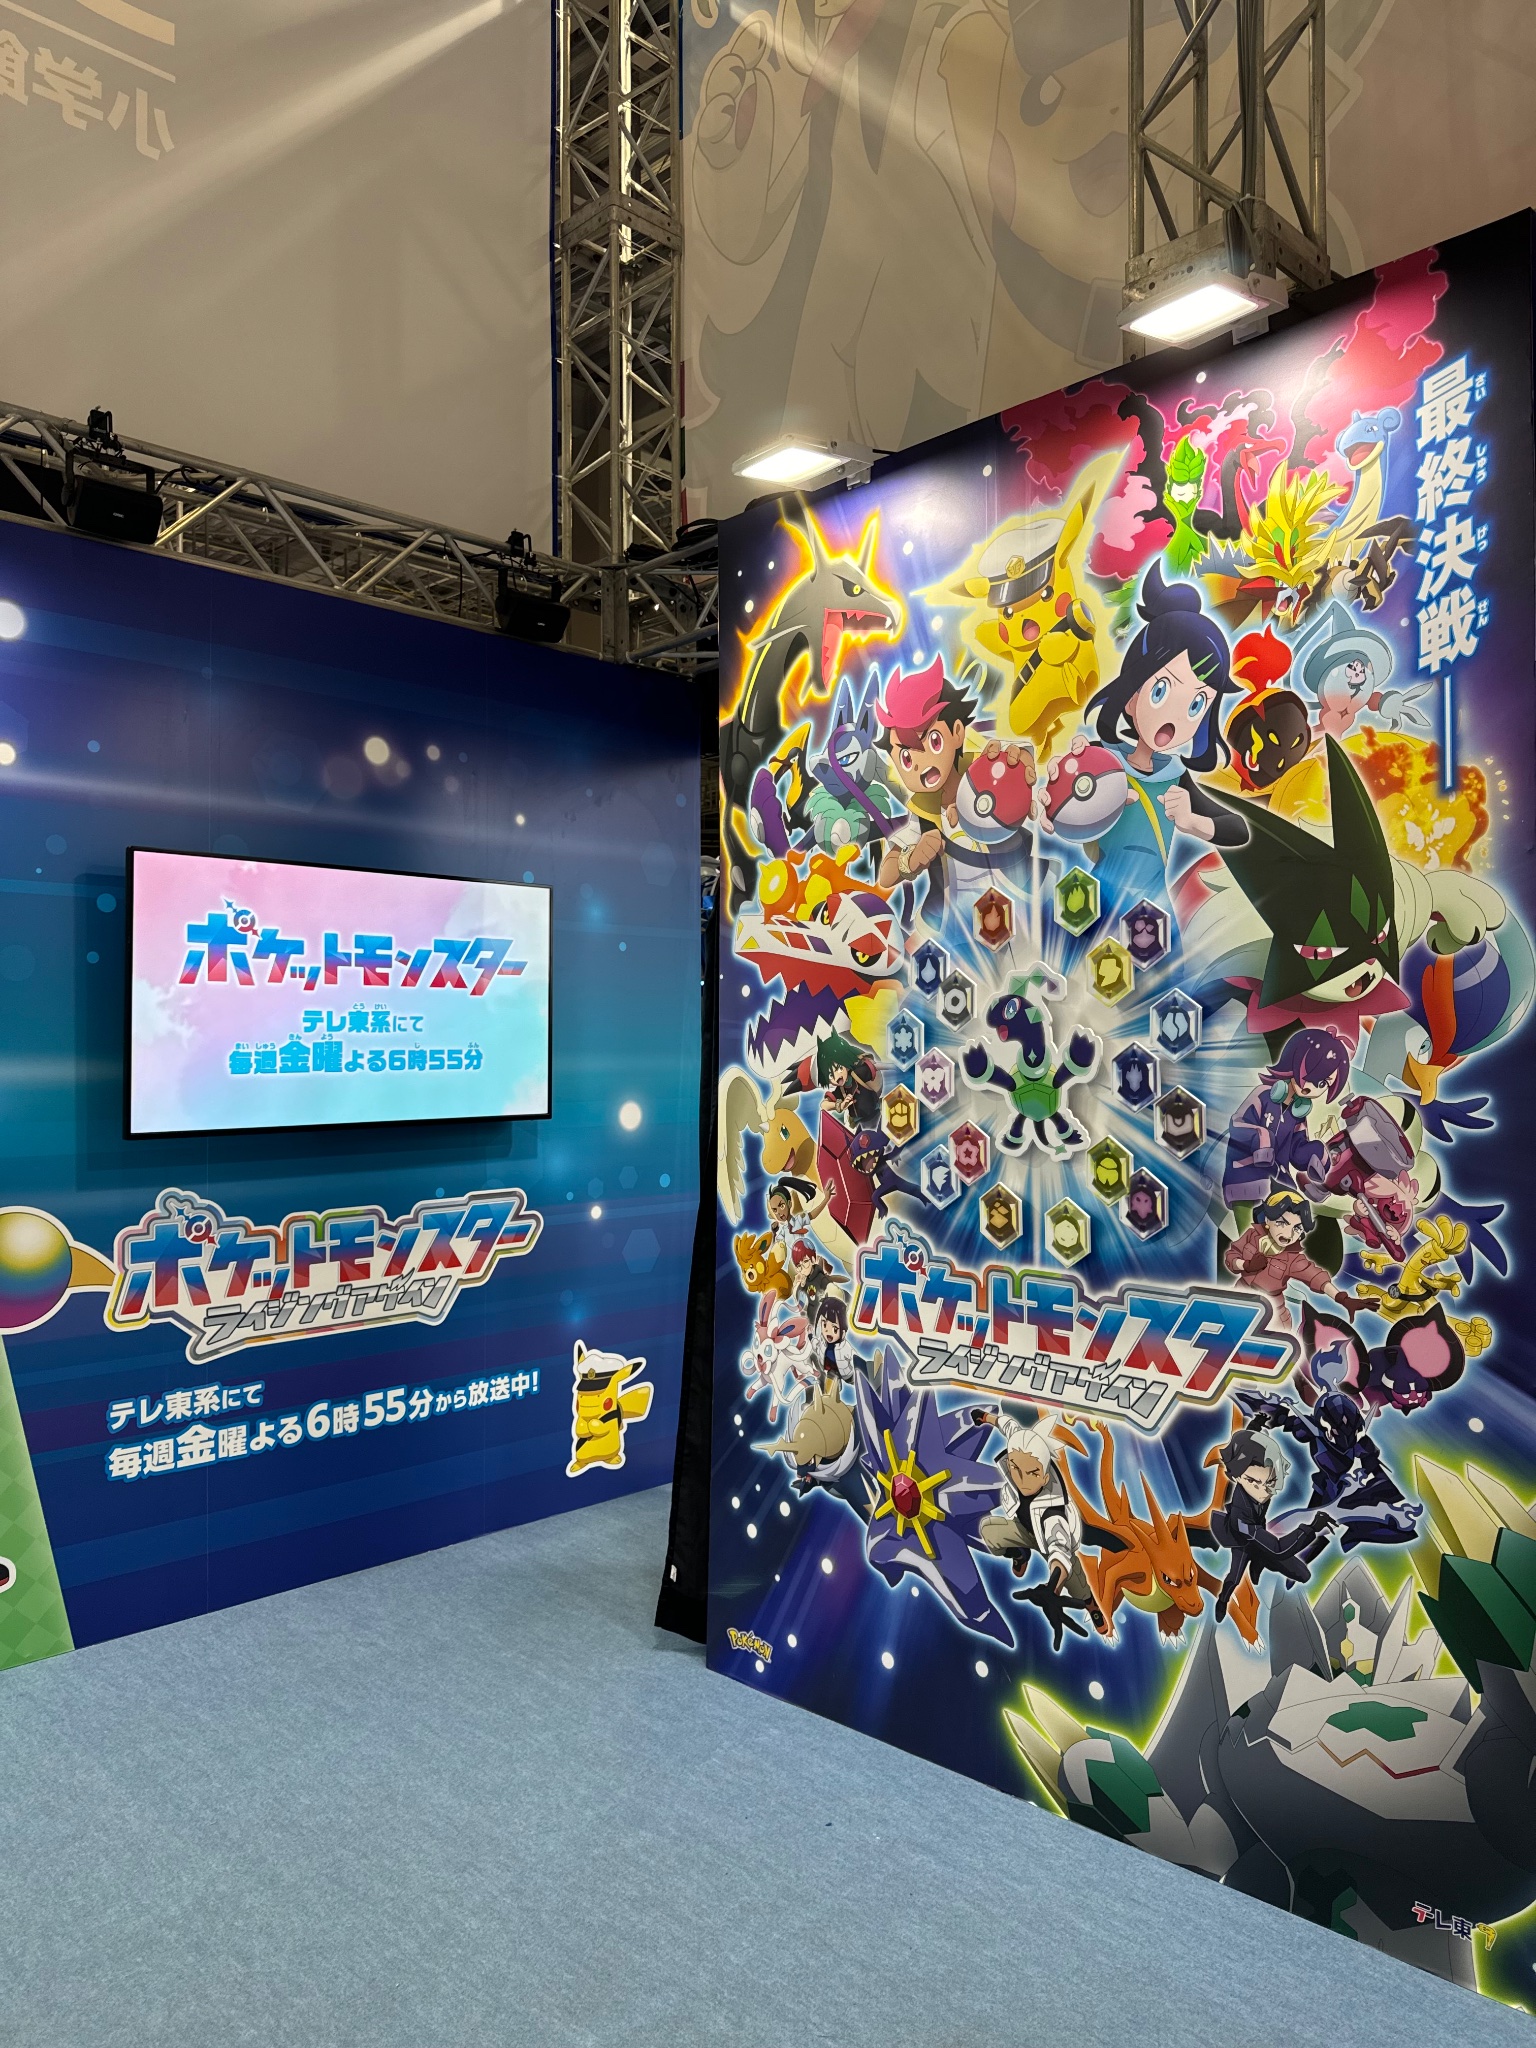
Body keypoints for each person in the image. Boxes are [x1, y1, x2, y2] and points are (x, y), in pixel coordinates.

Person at [1080, 561, 1247, 910]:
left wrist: (1192, 821)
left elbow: (1236, 828)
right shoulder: (1102, 756)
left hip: (1152, 910)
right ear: (1131, 696)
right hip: (1095, 897)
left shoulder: (1174, 776)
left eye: (1196, 704)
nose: (1175, 716)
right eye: (1161, 691)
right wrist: (1072, 779)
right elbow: (1061, 807)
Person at [976, 1412, 1106, 1644]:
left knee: (1078, 1588)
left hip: (1050, 1543)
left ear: (1045, 1477)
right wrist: (986, 1417)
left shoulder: (1054, 1513)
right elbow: (1009, 1426)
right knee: (988, 1531)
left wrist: (1051, 1589)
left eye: (1032, 1473)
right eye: (1014, 1468)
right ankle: (1020, 1554)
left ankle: (1091, 1605)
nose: (1021, 1479)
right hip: (1024, 1529)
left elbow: (1059, 1550)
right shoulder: (1022, 1448)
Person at [1210, 1428, 1334, 1622]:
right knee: (1234, 1577)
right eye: (1253, 1482)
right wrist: (1311, 1528)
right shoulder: (1241, 1518)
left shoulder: (1260, 1481)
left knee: (1303, 1574)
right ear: (1236, 1477)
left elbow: (1247, 1452)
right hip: (1242, 1541)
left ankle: (1258, 1562)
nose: (1263, 1491)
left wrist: (1254, 1429)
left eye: (1270, 1482)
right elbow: (1278, 1549)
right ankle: (1222, 1600)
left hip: (1259, 1532)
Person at [1224, 1186, 1356, 1333]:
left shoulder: (1293, 1259)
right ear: (1268, 1219)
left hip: (1271, 1312)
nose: (1289, 1234)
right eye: (1282, 1223)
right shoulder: (1252, 1235)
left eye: (1297, 1228)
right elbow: (1231, 1256)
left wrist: (1342, 1298)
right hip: (1238, 1298)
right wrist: (1246, 1265)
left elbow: (1316, 1277)